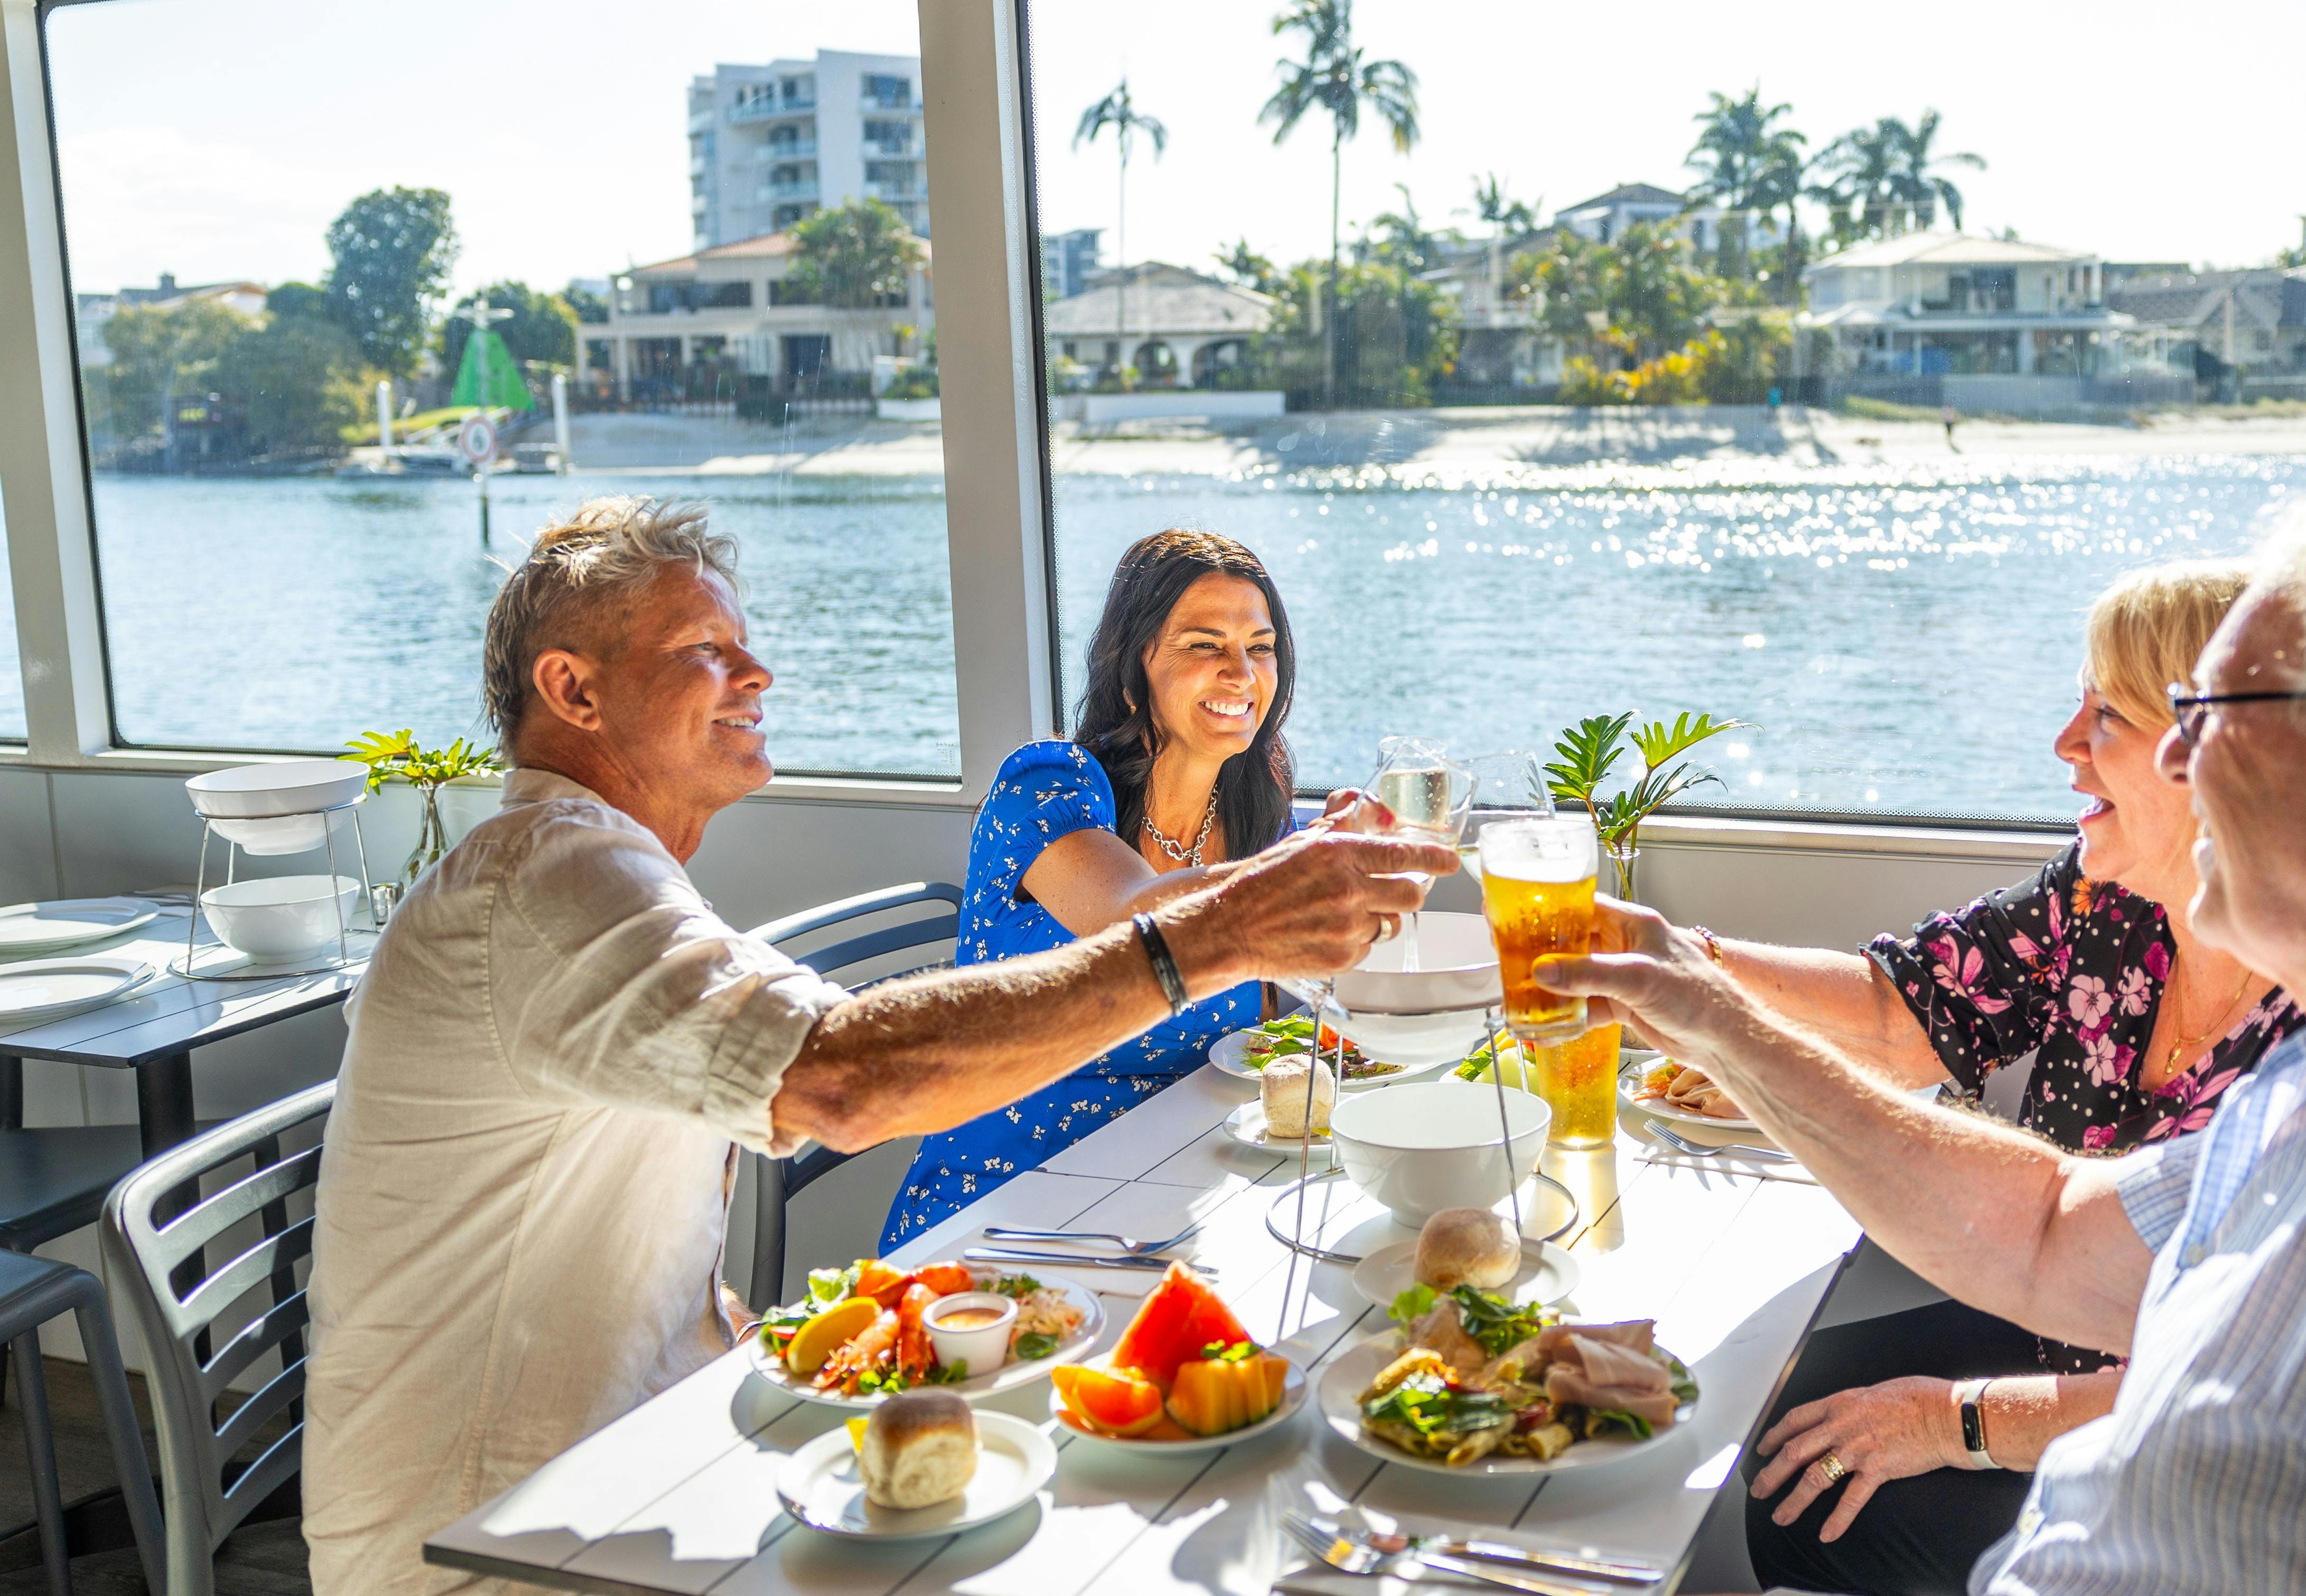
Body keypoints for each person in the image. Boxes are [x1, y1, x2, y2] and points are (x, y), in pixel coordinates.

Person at [1549, 454, 2306, 1593]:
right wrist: (1701, 1007)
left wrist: (1953, 1420)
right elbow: (2044, 1235)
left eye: (2211, 710)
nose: (2172, 751)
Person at [301, 499, 1452, 1595]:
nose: (759, 676)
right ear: (574, 689)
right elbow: (842, 1076)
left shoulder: (608, 873)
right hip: (497, 1540)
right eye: (708, 648)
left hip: (635, 1463)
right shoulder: (545, 879)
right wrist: (1213, 934)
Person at [1694, 560, 2304, 1596]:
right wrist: (1688, 966)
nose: (2065, 744)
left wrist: (1955, 1417)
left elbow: (2236, 1375)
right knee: (1757, 1402)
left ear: (2212, 761)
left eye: (2103, 714)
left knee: (1802, 1504)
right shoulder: (2109, 898)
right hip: (2047, 1324)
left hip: (2187, 1454)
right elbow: (1901, 1013)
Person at [877, 529, 1299, 1245]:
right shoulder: (1046, 785)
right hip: (1008, 1200)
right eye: (1204, 645)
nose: (1241, 672)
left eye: (1259, 647)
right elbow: (1130, 923)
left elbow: (1279, 1025)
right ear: (1133, 669)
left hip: (1178, 1190)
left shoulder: (1258, 811)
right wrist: (1307, 872)